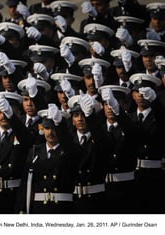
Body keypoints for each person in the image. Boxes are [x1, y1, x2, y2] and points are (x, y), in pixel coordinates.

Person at [15, 103, 79, 213]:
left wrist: (60, 125)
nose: (50, 132)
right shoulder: (35, 151)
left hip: (61, 209)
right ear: (42, 129)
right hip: (39, 209)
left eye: (54, 128)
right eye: (47, 128)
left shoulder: (69, 150)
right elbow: (26, 184)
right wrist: (21, 209)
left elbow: (70, 148)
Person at [0, 91, 33, 213]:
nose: (3, 116)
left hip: (14, 196)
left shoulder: (22, 134)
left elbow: (27, 141)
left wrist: (11, 116)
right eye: (0, 112)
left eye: (7, 112)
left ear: (18, 114)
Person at [98, 85, 139, 213]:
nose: (110, 107)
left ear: (123, 105)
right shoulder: (99, 130)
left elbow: (130, 130)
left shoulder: (131, 125)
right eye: (107, 104)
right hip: (102, 189)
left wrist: (118, 111)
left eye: (114, 103)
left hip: (125, 188)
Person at [68, 92, 111, 213]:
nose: (80, 119)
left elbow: (103, 143)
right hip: (74, 201)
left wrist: (91, 116)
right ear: (72, 120)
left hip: (96, 201)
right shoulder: (69, 141)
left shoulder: (102, 137)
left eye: (83, 115)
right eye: (76, 115)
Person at [128, 73, 165, 213]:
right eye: (137, 91)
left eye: (145, 92)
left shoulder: (160, 116)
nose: (141, 95)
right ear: (133, 95)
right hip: (132, 174)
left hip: (153, 175)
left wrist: (155, 101)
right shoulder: (129, 118)